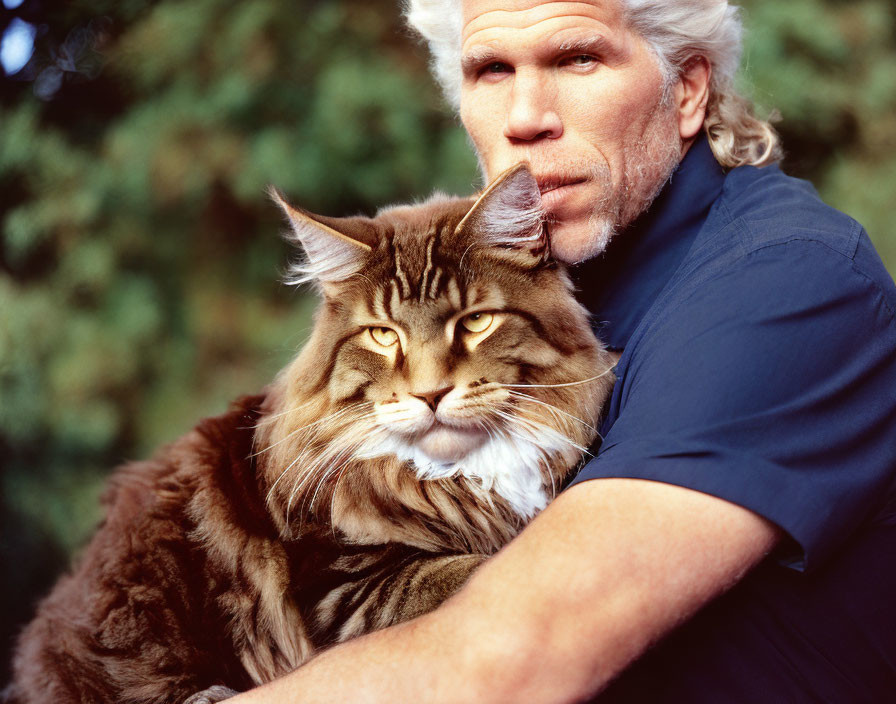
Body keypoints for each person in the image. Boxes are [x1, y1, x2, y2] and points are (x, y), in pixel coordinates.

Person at [230, 0, 896, 700]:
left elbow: (514, 658)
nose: (526, 118)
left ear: (688, 89)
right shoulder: (524, 283)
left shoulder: (787, 282)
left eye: (578, 59)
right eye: (490, 69)